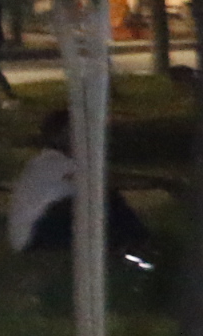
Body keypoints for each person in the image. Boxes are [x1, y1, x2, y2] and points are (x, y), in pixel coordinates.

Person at [9, 110, 153, 298]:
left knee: (103, 201)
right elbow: (101, 182)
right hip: (36, 233)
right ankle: (138, 246)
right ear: (59, 135)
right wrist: (154, 183)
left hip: (47, 227)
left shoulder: (67, 162)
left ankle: (134, 247)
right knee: (103, 200)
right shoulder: (51, 162)